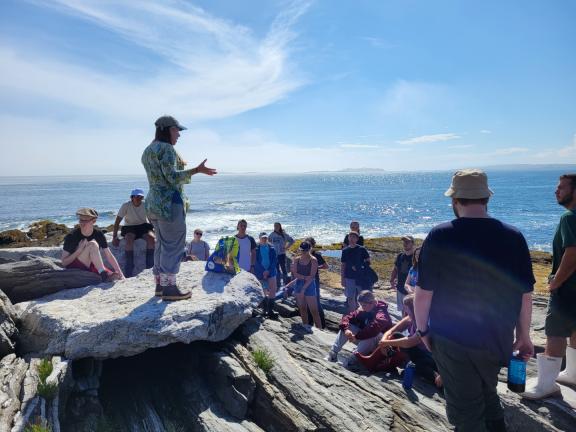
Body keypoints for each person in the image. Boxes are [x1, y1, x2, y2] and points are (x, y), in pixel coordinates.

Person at [415, 169, 534, 432]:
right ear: (485, 199)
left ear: (455, 200)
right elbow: (525, 294)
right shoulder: (513, 236)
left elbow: (423, 295)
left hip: (451, 338)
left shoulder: (440, 235)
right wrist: (524, 335)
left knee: (465, 413)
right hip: (497, 337)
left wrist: (422, 330)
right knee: (487, 392)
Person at [142, 115, 217, 301]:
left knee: (161, 244)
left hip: (153, 203)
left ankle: (159, 285)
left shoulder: (148, 150)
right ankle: (170, 288)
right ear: (167, 129)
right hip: (169, 204)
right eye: (177, 130)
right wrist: (196, 170)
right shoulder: (166, 149)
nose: (179, 135)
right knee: (173, 246)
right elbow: (172, 177)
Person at [523, 173, 576, 399]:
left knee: (554, 334)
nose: (556, 191)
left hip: (567, 290)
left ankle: (546, 384)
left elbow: (572, 254)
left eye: (562, 188)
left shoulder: (568, 218)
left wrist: (555, 282)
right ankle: (573, 373)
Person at [357, 294, 442, 387]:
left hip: (428, 355)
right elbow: (392, 330)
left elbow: (410, 342)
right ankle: (376, 361)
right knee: (395, 337)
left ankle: (437, 378)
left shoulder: (424, 322)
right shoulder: (410, 318)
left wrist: (386, 343)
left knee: (399, 340)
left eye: (406, 309)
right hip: (415, 352)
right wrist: (384, 341)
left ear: (414, 309)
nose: (404, 311)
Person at [325, 290, 392, 363]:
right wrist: (346, 330)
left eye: (364, 305)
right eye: (361, 305)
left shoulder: (382, 314)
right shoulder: (365, 309)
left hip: (380, 346)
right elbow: (347, 317)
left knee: (374, 335)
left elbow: (374, 329)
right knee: (348, 326)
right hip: (364, 340)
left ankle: (352, 360)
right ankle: (333, 353)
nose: (362, 308)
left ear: (372, 303)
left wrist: (356, 336)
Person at [62, 208, 124, 282]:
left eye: (85, 220)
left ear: (93, 221)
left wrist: (121, 274)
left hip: (92, 266)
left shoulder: (98, 234)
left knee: (116, 276)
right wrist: (79, 250)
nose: (82, 223)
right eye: (81, 220)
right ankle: (103, 275)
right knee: (93, 244)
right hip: (75, 267)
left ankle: (103, 274)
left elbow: (109, 255)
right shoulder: (72, 236)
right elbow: (64, 262)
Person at [112, 188, 155, 277]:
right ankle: (129, 267)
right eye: (136, 196)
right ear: (132, 197)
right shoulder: (126, 205)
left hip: (142, 225)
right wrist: (114, 237)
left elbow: (150, 219)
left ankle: (150, 266)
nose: (138, 198)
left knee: (151, 239)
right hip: (129, 227)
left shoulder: (145, 205)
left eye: (140, 197)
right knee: (129, 239)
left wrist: (155, 231)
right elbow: (117, 222)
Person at [291, 241, 321, 329]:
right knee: (302, 308)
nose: (303, 252)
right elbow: (295, 274)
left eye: (305, 250)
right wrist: (304, 277)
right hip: (298, 284)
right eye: (302, 250)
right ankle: (305, 326)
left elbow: (311, 277)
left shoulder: (313, 260)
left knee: (314, 310)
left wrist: (303, 289)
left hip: (310, 285)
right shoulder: (296, 259)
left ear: (309, 249)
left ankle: (319, 329)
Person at [341, 231, 370, 313]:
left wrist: (359, 266)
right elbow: (343, 265)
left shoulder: (362, 249)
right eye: (350, 237)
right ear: (348, 238)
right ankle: (352, 315)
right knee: (350, 297)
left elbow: (368, 261)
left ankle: (362, 314)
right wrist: (342, 278)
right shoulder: (345, 250)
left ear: (357, 239)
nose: (351, 239)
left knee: (362, 297)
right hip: (348, 277)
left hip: (360, 277)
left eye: (354, 237)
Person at [255, 232, 279, 319]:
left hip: (271, 272)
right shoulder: (256, 249)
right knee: (263, 291)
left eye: (265, 238)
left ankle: (270, 310)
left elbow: (274, 261)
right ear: (259, 238)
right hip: (260, 273)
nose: (264, 239)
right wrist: (263, 272)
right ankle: (264, 310)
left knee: (272, 291)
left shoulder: (272, 248)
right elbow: (256, 262)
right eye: (262, 238)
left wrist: (268, 271)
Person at [389, 235, 415, 314]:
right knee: (403, 310)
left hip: (410, 290)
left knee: (411, 312)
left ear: (412, 243)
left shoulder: (416, 257)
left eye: (407, 242)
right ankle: (404, 325)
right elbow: (396, 268)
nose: (405, 244)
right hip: (400, 288)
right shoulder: (400, 256)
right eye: (404, 242)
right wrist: (392, 280)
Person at [306, 237, 328, 329]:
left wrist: (316, 267)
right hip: (305, 282)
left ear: (312, 245)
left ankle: (322, 326)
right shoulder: (303, 255)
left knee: (317, 303)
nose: (308, 247)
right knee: (307, 303)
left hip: (315, 282)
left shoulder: (316, 256)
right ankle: (309, 323)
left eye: (309, 245)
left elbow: (326, 266)